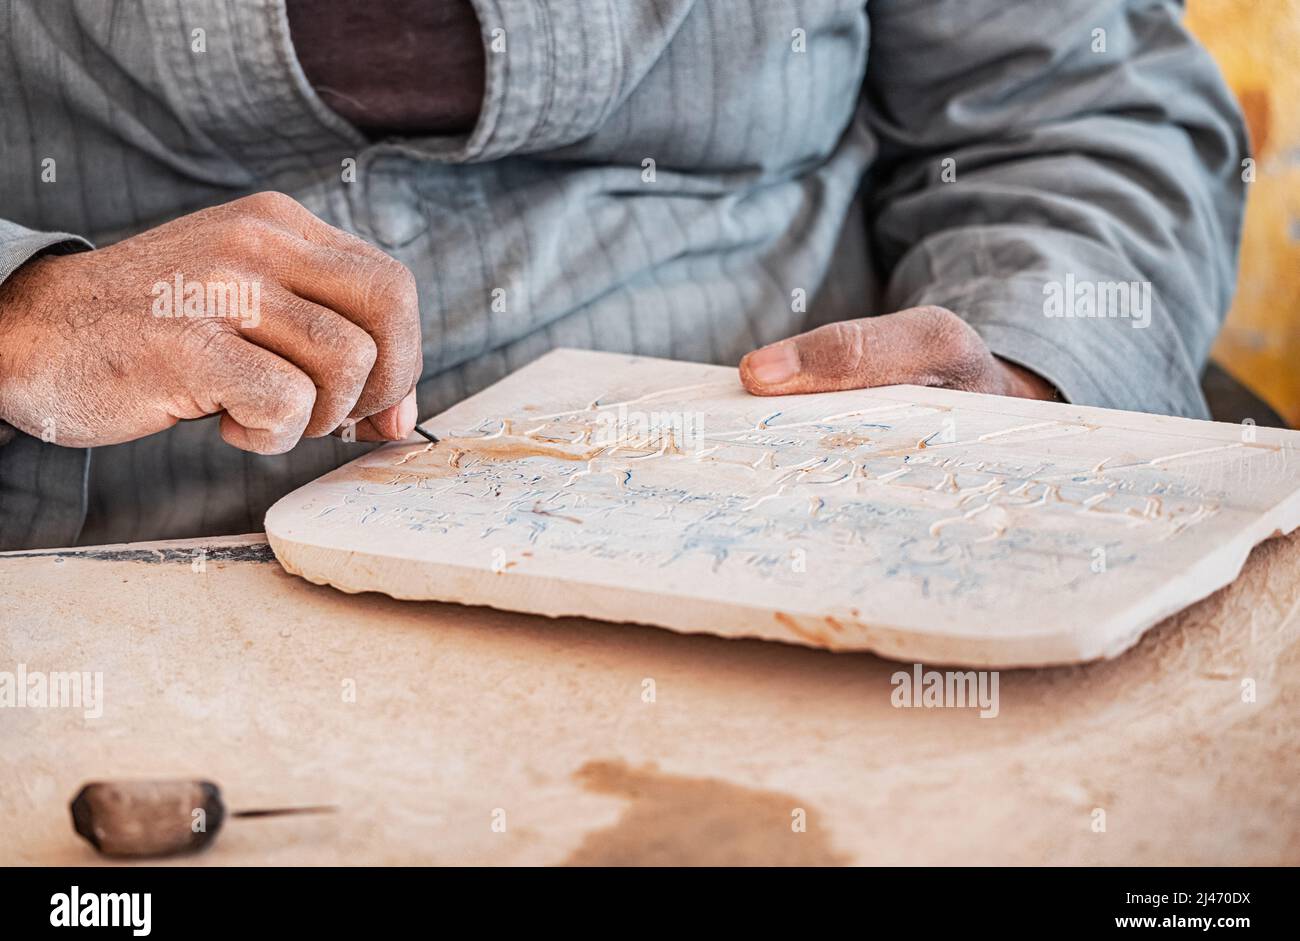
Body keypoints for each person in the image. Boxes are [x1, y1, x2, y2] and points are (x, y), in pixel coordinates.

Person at [0, 1, 1247, 550]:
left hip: (803, 533)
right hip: (120, 560)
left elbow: (1079, 106)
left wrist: (1023, 384)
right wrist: (21, 316)